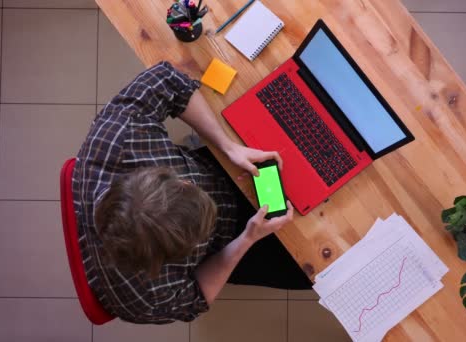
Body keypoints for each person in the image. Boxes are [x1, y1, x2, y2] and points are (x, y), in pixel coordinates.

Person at [73, 61, 311, 324]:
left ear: (164, 176)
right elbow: (196, 297)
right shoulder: (144, 298)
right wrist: (247, 238)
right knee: (314, 273)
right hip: (229, 240)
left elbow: (168, 79)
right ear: (174, 257)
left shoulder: (118, 139)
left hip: (221, 166)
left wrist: (227, 147)